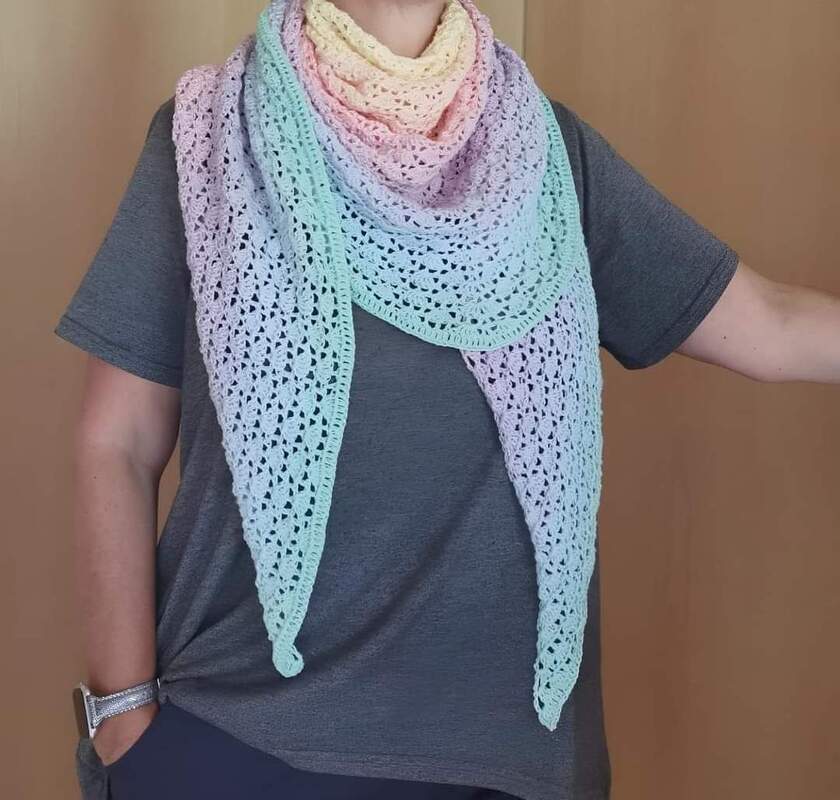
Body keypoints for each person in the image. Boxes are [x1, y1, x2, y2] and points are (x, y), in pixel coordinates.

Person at [54, 1, 840, 799]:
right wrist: (121, 721)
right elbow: (118, 443)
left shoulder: (553, 160)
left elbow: (769, 324)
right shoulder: (208, 141)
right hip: (239, 746)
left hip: (511, 760)